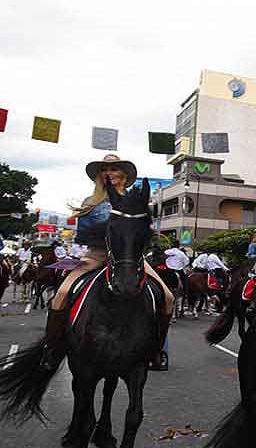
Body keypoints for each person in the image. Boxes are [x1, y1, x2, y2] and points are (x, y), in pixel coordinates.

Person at [40, 154, 174, 371]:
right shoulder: (90, 203)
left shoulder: (136, 201)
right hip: (97, 256)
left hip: (130, 259)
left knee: (167, 296)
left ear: (124, 174)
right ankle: (51, 349)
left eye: (113, 169)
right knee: (61, 294)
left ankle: (157, 351)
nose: (109, 173)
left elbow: (144, 231)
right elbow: (82, 235)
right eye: (105, 170)